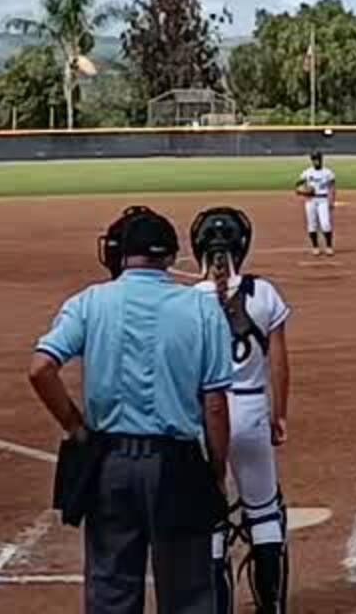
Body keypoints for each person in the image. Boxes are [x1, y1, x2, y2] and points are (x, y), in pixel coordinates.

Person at [30, 206, 234, 614]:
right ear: (172, 256)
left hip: (108, 461)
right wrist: (214, 470)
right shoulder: (202, 308)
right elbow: (214, 405)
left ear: (121, 254)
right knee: (189, 592)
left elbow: (40, 369)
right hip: (177, 465)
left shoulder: (89, 302)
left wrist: (76, 426)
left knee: (111, 590)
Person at [188, 207, 292, 613]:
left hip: (203, 417)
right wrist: (278, 416)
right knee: (265, 513)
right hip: (250, 409)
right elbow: (280, 364)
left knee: (211, 519)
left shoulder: (183, 301)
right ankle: (271, 606)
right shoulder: (263, 293)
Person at [295, 152, 337, 258]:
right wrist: (301, 191)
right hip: (310, 200)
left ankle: (329, 246)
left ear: (321, 159)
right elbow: (298, 185)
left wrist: (332, 201)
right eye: (314, 159)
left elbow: (332, 187)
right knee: (312, 224)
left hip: (323, 199)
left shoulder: (328, 173)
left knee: (325, 224)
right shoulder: (307, 173)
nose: (316, 161)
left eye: (317, 159)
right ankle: (315, 247)